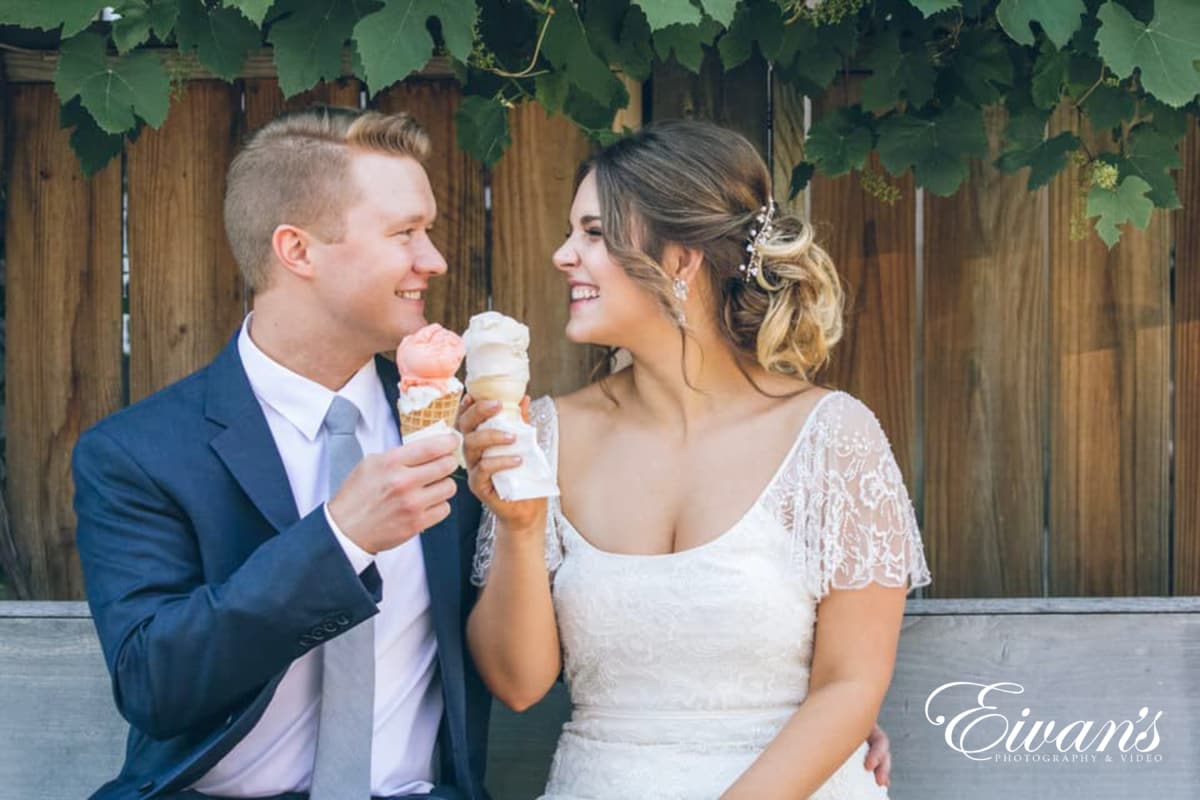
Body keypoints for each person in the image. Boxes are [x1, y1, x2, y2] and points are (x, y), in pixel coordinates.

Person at [461, 119, 932, 799]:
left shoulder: (832, 438)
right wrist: (520, 525)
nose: (564, 255)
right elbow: (517, 683)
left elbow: (849, 685)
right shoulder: (544, 434)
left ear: (682, 260)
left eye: (593, 233)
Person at [72, 107, 490, 800]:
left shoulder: (454, 427)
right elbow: (154, 684)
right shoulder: (135, 454)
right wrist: (337, 540)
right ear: (297, 251)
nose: (435, 259)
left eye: (430, 230)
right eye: (405, 233)